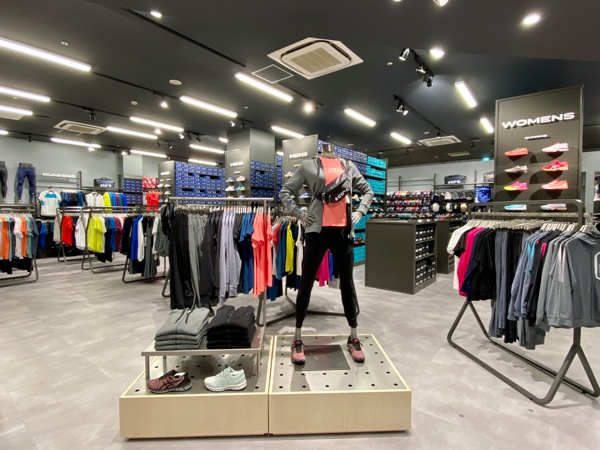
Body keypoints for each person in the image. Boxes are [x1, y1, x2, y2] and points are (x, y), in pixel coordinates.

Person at [279, 143, 373, 364]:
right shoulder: (308, 165)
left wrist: (361, 211)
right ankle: (297, 338)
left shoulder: (348, 166)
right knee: (306, 283)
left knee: (348, 284)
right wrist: (298, 213)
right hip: (317, 232)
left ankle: (353, 336)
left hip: (343, 233)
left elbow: (368, 190)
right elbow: (285, 191)